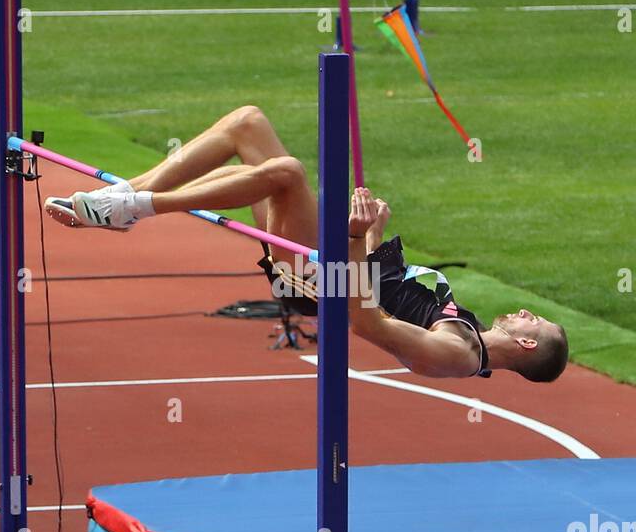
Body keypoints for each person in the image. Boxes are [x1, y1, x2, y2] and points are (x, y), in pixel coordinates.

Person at [44, 106, 568, 382]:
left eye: (534, 321)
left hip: (318, 285)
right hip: (337, 264)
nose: (525, 312)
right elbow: (389, 290)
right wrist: (374, 230)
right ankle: (127, 196)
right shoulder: (467, 328)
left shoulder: (454, 354)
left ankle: (134, 208)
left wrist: (358, 237)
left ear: (525, 346)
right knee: (247, 126)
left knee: (287, 174)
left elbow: (367, 321)